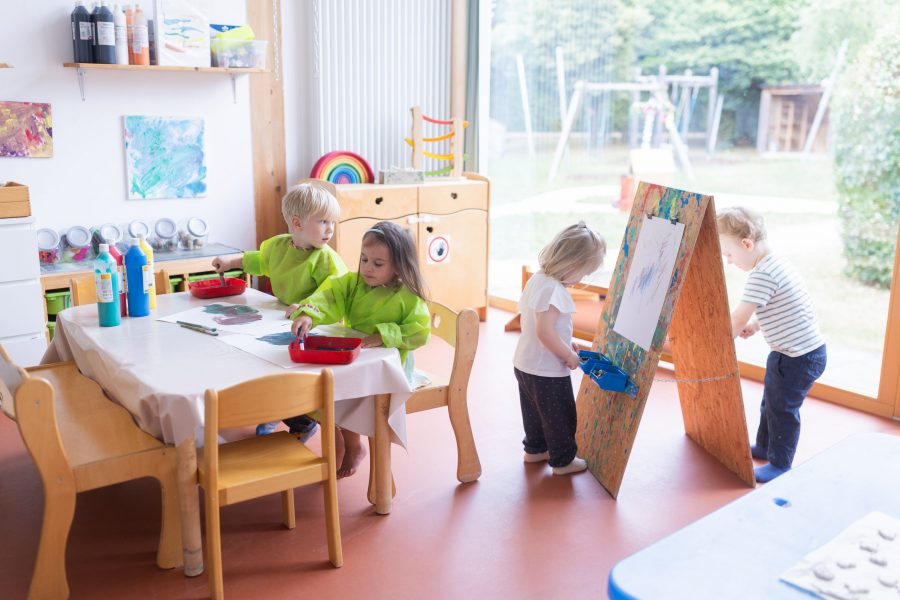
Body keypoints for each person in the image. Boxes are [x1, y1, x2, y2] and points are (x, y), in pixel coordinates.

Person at [291, 221, 431, 478]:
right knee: (323, 388)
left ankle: (354, 446)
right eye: (364, 259)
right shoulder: (354, 283)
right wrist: (309, 314)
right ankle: (344, 443)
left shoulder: (408, 296)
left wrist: (383, 335)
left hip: (392, 363)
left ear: (398, 266)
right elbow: (330, 295)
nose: (367, 268)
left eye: (378, 264)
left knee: (349, 393)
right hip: (356, 354)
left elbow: (420, 331)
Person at [212, 182, 347, 438]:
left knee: (287, 371)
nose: (331, 229)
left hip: (317, 324)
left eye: (333, 222)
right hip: (281, 319)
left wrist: (307, 307)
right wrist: (230, 261)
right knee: (258, 360)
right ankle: (273, 410)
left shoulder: (326, 258)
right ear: (297, 224)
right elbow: (260, 260)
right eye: (323, 222)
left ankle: (301, 421)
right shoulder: (279, 246)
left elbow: (335, 292)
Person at [717, 206, 826, 483]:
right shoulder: (776, 263)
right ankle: (765, 447)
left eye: (729, 254)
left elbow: (738, 316)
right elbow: (785, 307)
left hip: (797, 358)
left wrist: (719, 347)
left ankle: (780, 462)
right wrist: (757, 325)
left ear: (746, 244)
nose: (728, 261)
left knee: (782, 409)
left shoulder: (761, 275)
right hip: (792, 354)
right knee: (771, 403)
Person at [513, 221, 606, 475]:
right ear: (572, 266)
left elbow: (540, 325)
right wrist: (567, 354)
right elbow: (545, 332)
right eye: (583, 274)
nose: (580, 280)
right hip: (547, 371)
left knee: (533, 411)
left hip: (525, 363)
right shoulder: (556, 291)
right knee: (560, 416)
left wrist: (567, 342)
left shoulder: (539, 279)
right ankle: (563, 461)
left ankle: (535, 449)